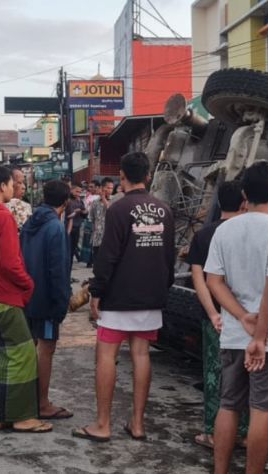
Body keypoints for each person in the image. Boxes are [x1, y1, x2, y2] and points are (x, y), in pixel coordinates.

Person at [73, 152, 175, 443]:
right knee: (141, 355)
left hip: (118, 296)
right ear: (147, 176)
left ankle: (103, 424)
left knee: (106, 356)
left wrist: (96, 291)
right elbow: (168, 256)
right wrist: (161, 288)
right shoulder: (164, 210)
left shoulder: (118, 210)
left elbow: (108, 256)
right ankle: (138, 424)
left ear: (121, 177)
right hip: (150, 296)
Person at [205, 161, 268, 474]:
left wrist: (242, 317)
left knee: (228, 406)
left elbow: (213, 281)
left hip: (232, 334)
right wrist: (259, 336)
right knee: (261, 412)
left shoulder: (224, 230)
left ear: (244, 195)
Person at [0, 165, 52, 434]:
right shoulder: (2, 217)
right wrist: (28, 284)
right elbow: (10, 263)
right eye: (11, 182)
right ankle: (21, 417)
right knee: (22, 355)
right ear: (2, 186)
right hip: (3, 295)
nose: (14, 187)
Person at [185, 181, 248, 450]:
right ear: (244, 203)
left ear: (219, 203)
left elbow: (199, 279)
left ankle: (213, 432)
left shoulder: (204, 235)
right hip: (247, 316)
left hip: (215, 317)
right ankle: (245, 433)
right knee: (246, 374)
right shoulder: (251, 232)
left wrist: (213, 313)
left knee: (214, 373)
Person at [21, 180, 74, 421]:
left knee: (30, 347)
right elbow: (58, 270)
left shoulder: (30, 222)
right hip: (46, 298)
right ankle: (42, 403)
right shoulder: (55, 226)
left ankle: (27, 398)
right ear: (65, 201)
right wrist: (62, 303)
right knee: (47, 348)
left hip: (27, 295)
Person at [87, 178, 115, 267]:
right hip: (97, 239)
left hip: (110, 239)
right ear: (102, 188)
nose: (110, 190)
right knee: (97, 265)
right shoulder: (95, 202)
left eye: (111, 188)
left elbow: (111, 210)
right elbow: (91, 218)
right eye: (108, 188)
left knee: (108, 265)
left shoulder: (115, 200)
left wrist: (103, 198)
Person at [65, 185, 86, 262]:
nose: (78, 194)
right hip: (68, 227)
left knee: (73, 247)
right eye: (77, 191)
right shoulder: (67, 201)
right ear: (71, 190)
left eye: (80, 192)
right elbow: (66, 216)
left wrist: (83, 211)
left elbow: (84, 212)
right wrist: (75, 212)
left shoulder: (80, 201)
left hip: (77, 226)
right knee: (68, 249)